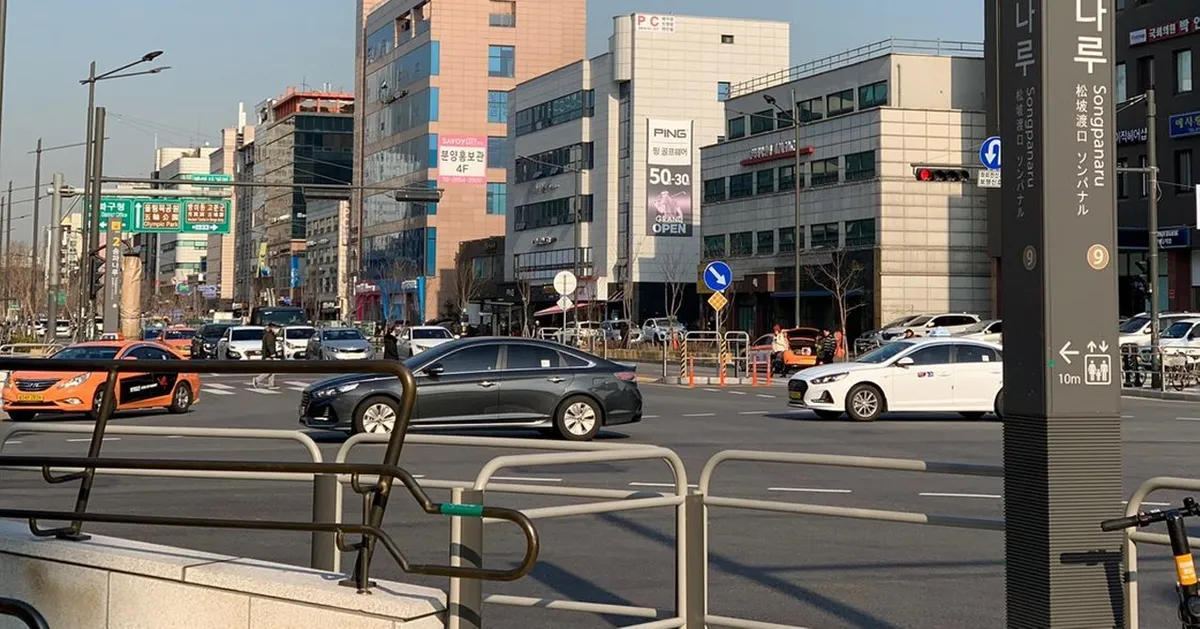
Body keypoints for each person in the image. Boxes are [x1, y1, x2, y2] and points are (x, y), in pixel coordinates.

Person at [252, 323, 279, 389]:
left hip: (267, 355)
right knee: (268, 371)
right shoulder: (269, 335)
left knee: (272, 371)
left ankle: (271, 384)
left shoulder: (269, 335)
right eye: (275, 328)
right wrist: (273, 353)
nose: (276, 329)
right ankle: (257, 380)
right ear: (271, 328)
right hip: (268, 355)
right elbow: (269, 345)